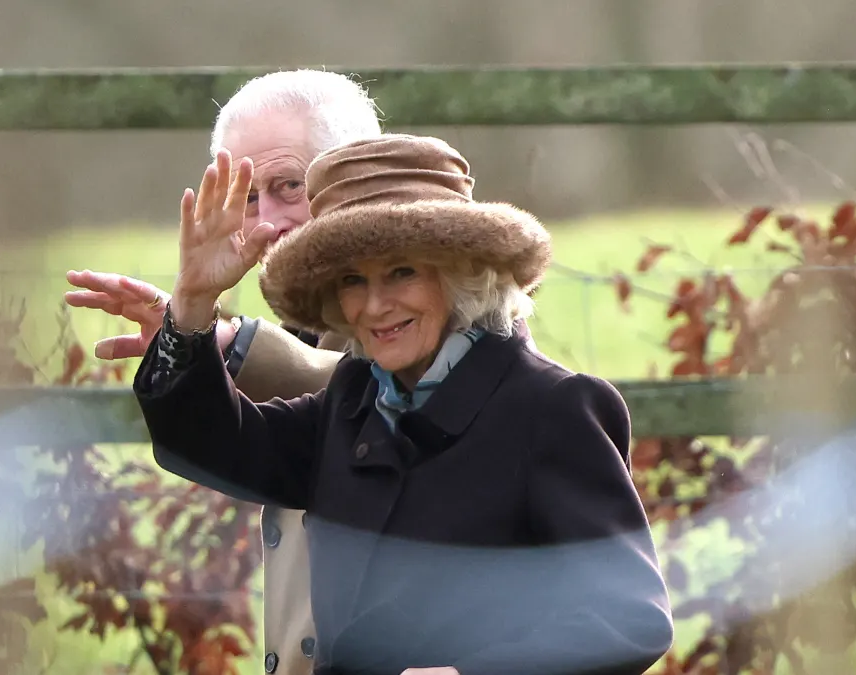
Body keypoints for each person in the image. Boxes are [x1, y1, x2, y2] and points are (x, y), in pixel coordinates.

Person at [134, 134, 674, 675]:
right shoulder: (353, 397)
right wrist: (192, 309)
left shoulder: (553, 408)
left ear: (463, 272)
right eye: (352, 280)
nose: (374, 305)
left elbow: (627, 617)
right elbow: (206, 445)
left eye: (402, 272)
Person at [64, 69, 382, 675]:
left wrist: (231, 341)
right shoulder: (312, 327)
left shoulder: (457, 300)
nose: (268, 223)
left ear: (356, 177)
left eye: (289, 185)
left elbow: (392, 397)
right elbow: (206, 448)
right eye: (247, 199)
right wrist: (190, 312)